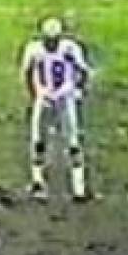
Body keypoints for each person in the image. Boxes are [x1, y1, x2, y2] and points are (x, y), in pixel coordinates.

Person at [19, 17, 92, 201]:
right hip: (46, 98)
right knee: (39, 141)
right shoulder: (35, 50)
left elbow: (83, 71)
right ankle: (38, 183)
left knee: (72, 142)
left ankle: (78, 186)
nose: (51, 43)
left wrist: (77, 90)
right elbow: (27, 73)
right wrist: (35, 94)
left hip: (63, 98)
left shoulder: (69, 49)